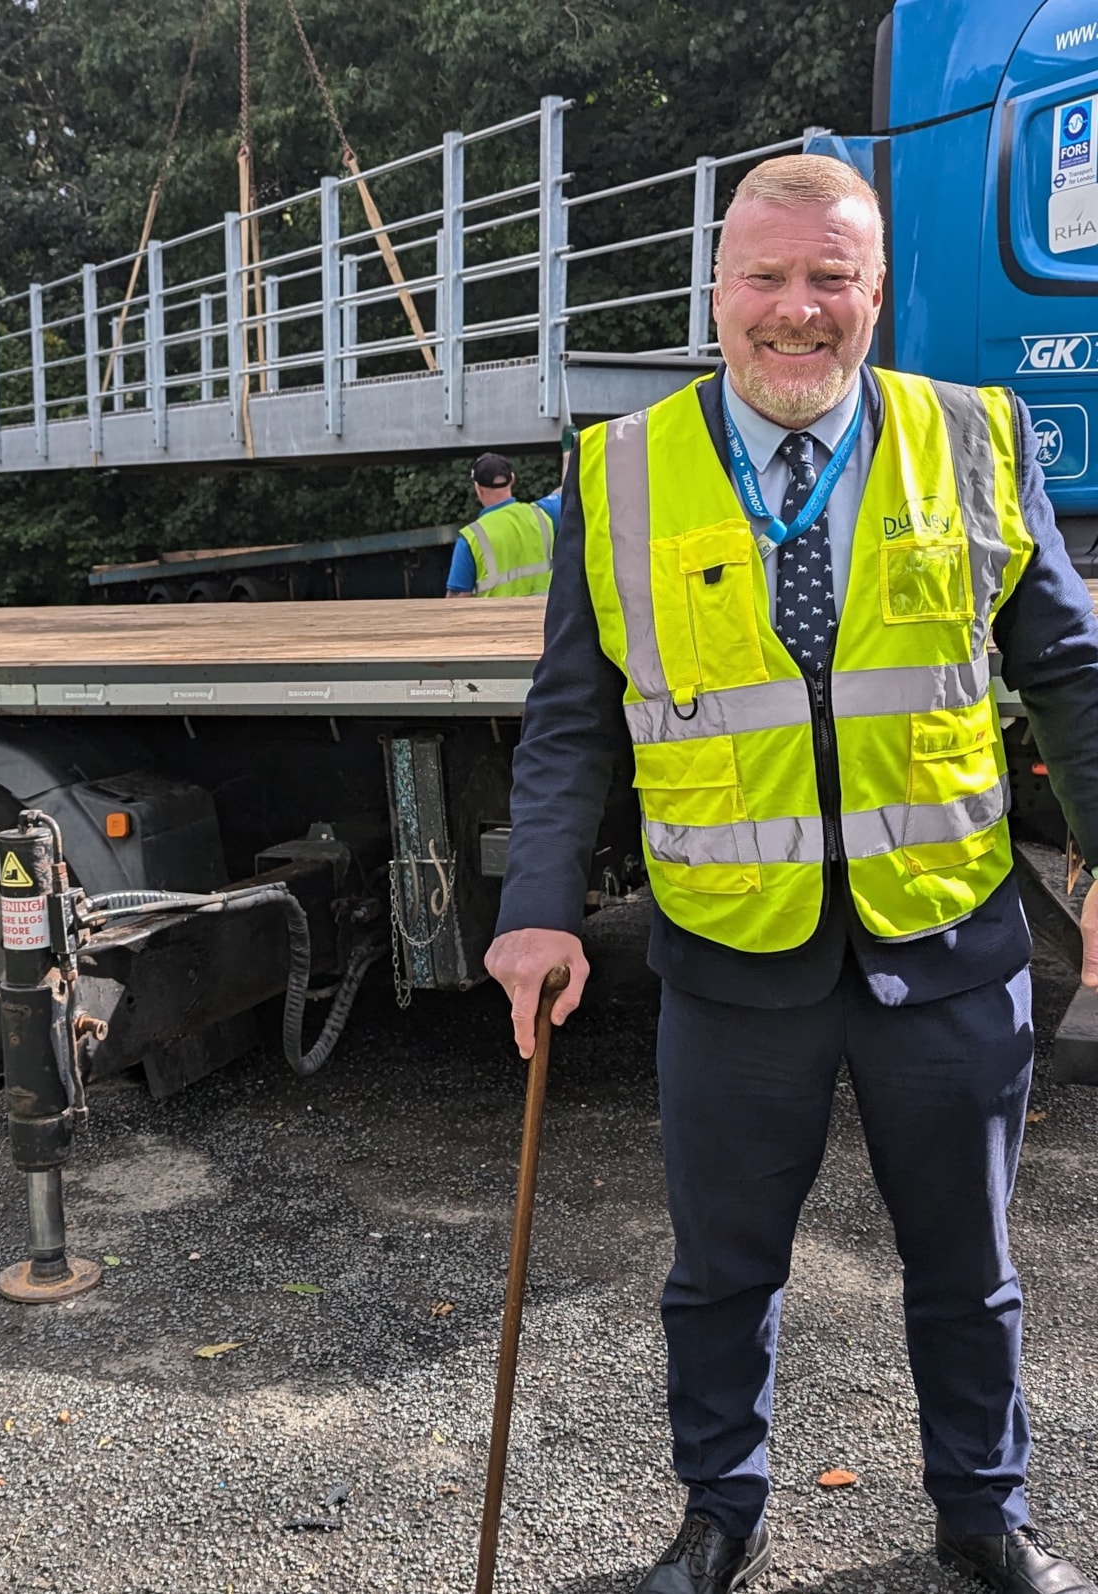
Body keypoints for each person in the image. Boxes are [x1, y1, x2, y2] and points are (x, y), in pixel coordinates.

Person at [485, 154, 1098, 1594]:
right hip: (733, 952)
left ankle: (983, 1513)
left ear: (878, 292)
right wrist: (534, 912)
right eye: (766, 276)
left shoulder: (975, 437)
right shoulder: (620, 468)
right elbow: (574, 715)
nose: (798, 310)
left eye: (832, 278)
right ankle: (721, 1514)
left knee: (973, 1264)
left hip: (946, 941)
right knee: (719, 1270)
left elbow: (1068, 669)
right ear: (717, 292)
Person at [444, 452, 560, 597]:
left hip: (497, 619)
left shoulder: (471, 538)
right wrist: (568, 453)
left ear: (477, 488)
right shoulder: (543, 514)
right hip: (545, 617)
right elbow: (567, 492)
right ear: (512, 479)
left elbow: (456, 603)